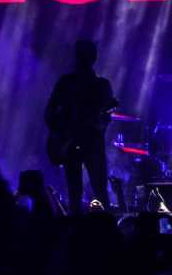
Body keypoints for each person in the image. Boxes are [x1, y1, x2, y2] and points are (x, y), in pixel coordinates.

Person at [44, 38, 119, 214]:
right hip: (79, 143)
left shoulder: (95, 84)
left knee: (86, 191)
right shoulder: (69, 83)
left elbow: (49, 113)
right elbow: (49, 113)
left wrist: (63, 132)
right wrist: (62, 132)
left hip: (88, 143)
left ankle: (84, 224)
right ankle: (100, 224)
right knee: (86, 191)